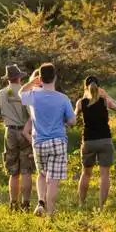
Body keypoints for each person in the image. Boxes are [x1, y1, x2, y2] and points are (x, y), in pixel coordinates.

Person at [19, 63, 76, 217]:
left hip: (39, 142)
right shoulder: (63, 99)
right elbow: (72, 121)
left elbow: (21, 93)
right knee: (53, 180)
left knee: (42, 175)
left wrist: (31, 83)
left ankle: (40, 202)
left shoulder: (33, 96)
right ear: (55, 77)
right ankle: (50, 214)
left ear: (40, 78)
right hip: (58, 141)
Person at [0, 64, 35, 211]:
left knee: (13, 171)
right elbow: (32, 115)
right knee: (26, 171)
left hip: (9, 132)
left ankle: (13, 204)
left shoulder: (1, 93)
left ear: (8, 79)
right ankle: (26, 204)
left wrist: (7, 118)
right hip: (25, 132)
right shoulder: (26, 93)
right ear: (19, 77)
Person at [74, 75, 116, 210]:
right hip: (105, 140)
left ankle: (82, 203)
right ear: (99, 87)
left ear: (85, 87)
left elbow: (72, 117)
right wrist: (106, 95)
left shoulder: (81, 103)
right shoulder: (104, 101)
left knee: (86, 173)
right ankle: (101, 206)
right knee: (104, 174)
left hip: (88, 141)